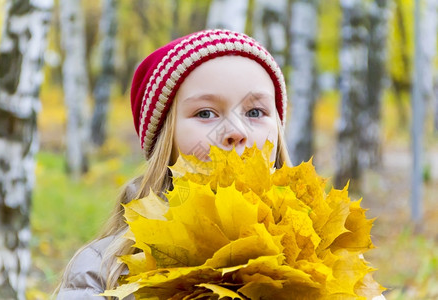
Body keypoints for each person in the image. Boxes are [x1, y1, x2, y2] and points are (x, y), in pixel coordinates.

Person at [56, 29, 384, 299]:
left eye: (255, 112)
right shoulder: (104, 269)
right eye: (205, 113)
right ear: (163, 142)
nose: (235, 132)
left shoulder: (327, 254)